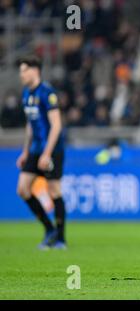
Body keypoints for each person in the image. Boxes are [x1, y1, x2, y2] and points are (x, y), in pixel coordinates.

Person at [16, 55, 67, 250]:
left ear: (35, 70)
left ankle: (61, 239)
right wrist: (25, 151)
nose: (21, 75)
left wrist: (47, 153)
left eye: (24, 70)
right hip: (35, 149)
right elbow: (31, 124)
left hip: (52, 149)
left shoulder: (47, 92)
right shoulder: (25, 94)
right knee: (23, 189)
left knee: (54, 189)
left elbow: (56, 125)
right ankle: (49, 229)